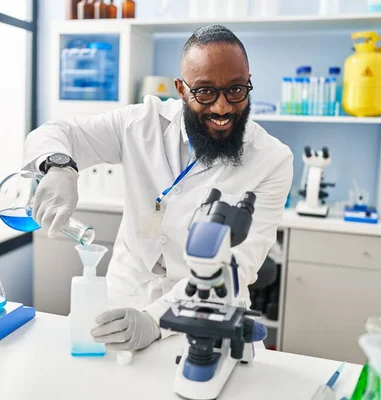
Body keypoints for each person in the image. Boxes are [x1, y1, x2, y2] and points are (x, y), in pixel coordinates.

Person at [22, 25, 293, 352]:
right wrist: (59, 166)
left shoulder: (272, 159)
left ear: (248, 82)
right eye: (205, 91)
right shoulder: (140, 124)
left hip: (205, 322)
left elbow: (235, 267)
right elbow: (58, 132)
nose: (222, 107)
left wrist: (155, 320)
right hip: (120, 309)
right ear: (181, 89)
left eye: (236, 90)